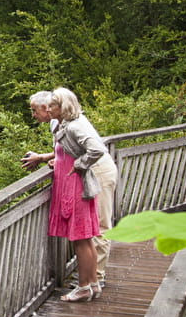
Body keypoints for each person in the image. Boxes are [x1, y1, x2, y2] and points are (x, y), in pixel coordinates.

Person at [23, 90, 119, 287]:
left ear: (46, 108)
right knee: (87, 231)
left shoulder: (75, 123)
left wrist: (76, 164)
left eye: (35, 110)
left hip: (97, 172)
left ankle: (96, 278)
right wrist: (47, 158)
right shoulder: (56, 123)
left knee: (98, 227)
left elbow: (95, 149)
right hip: (83, 174)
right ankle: (90, 279)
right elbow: (69, 148)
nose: (34, 115)